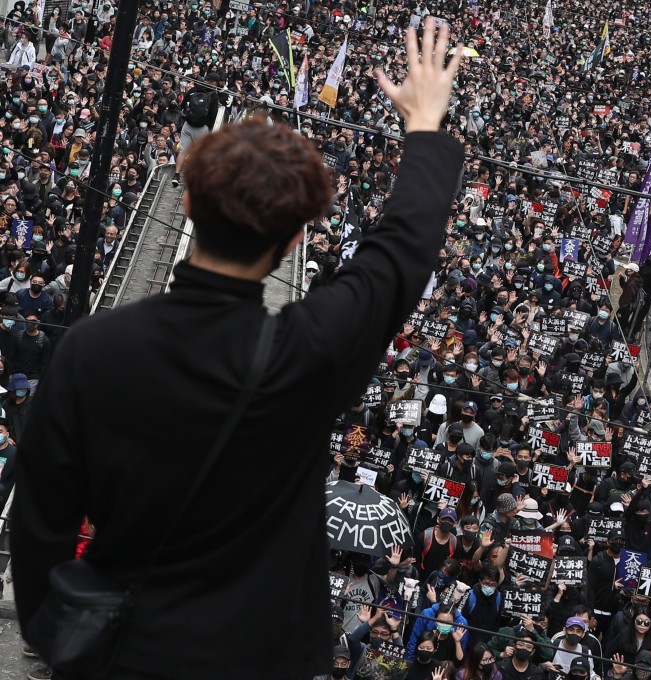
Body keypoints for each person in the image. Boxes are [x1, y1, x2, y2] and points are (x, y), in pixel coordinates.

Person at [11, 19, 465, 677]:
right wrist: (425, 125)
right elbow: (400, 252)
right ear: (289, 243)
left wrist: (52, 630)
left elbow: (40, 521)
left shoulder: (90, 350)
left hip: (121, 654)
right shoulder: (309, 352)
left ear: (188, 200)